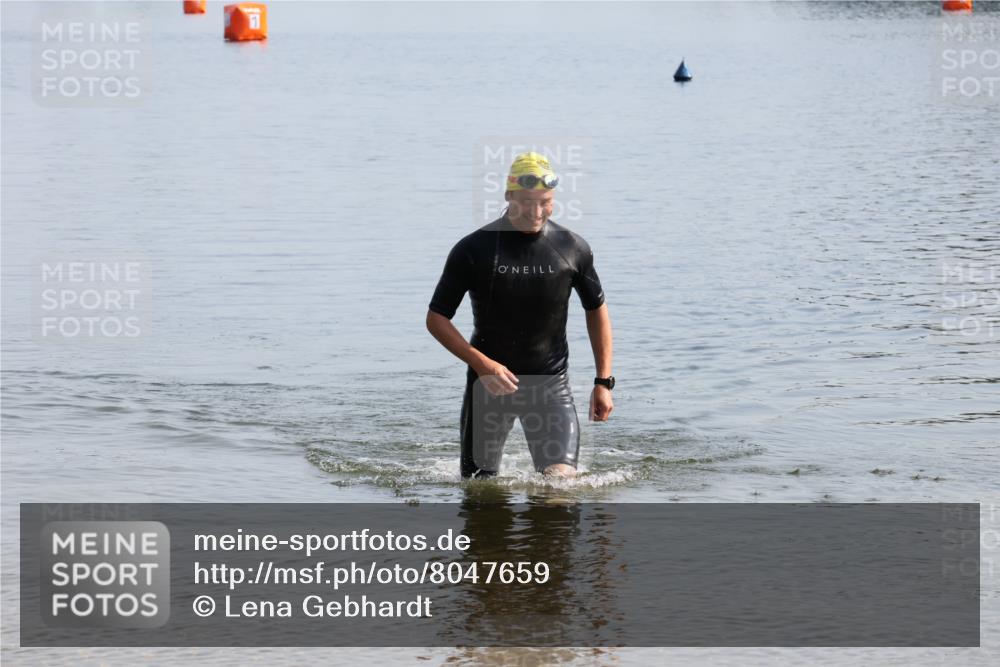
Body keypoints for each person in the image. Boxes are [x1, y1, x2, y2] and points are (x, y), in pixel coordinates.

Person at [426, 152, 614, 479]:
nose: (536, 211)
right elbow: (436, 318)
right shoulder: (474, 249)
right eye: (527, 201)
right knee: (480, 494)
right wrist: (482, 364)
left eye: (545, 201)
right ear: (508, 195)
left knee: (560, 488)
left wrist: (603, 381)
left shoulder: (572, 248)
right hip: (488, 388)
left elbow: (596, 310)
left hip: (550, 386)